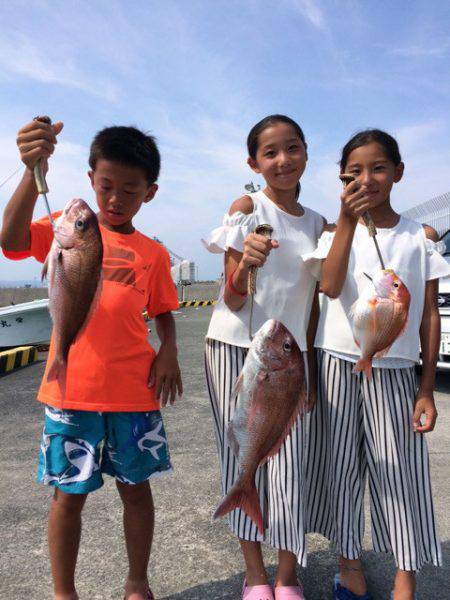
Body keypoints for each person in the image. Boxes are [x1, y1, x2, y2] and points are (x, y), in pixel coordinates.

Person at [1, 119, 183, 600]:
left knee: (136, 491)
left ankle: (137, 581)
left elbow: (163, 311)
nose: (115, 198)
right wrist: (28, 172)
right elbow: (11, 240)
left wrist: (169, 351)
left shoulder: (153, 252)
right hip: (71, 391)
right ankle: (64, 592)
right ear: (90, 180)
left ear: (150, 192)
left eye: (130, 189)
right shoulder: (67, 227)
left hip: (134, 393)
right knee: (67, 497)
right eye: (106, 186)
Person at [304, 129, 450, 600]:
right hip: (338, 364)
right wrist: (346, 221)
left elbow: (429, 312)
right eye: (355, 172)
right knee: (341, 468)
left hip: (395, 372)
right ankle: (349, 565)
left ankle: (406, 576)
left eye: (379, 168)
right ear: (342, 179)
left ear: (398, 173)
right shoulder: (332, 233)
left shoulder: (419, 236)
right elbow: (327, 286)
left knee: (399, 471)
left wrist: (426, 388)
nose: (368, 178)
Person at [203, 114, 324, 600]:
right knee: (240, 456)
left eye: (291, 148)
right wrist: (246, 259)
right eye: (270, 153)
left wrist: (310, 371)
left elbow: (316, 304)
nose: (282, 160)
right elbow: (231, 298)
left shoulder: (319, 223)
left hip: (291, 358)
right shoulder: (246, 208)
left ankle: (288, 574)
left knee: (292, 461)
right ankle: (255, 576)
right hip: (234, 347)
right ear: (254, 162)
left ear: (306, 152)